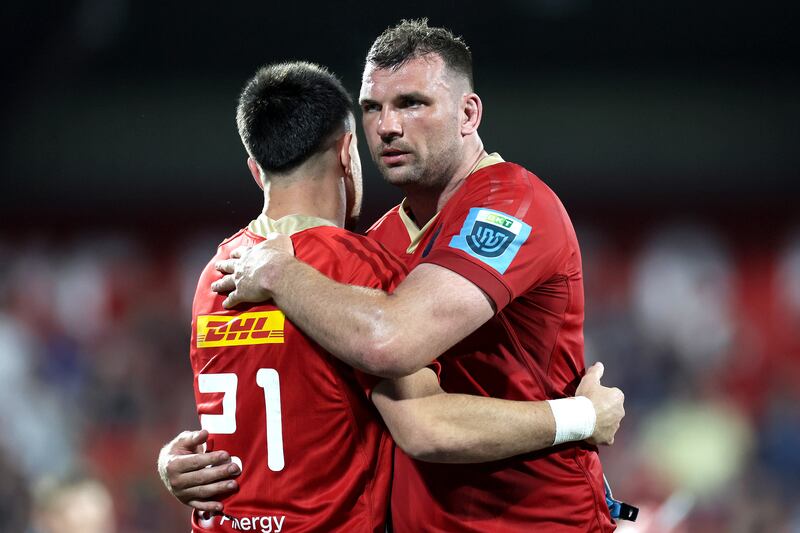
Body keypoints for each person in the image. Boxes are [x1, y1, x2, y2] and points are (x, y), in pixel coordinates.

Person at [159, 60, 624, 531]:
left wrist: (174, 462)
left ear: (256, 171)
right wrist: (583, 415)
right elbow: (423, 423)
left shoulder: (218, 270)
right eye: (372, 110)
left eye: (411, 103)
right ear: (347, 153)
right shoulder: (360, 261)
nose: (387, 127)